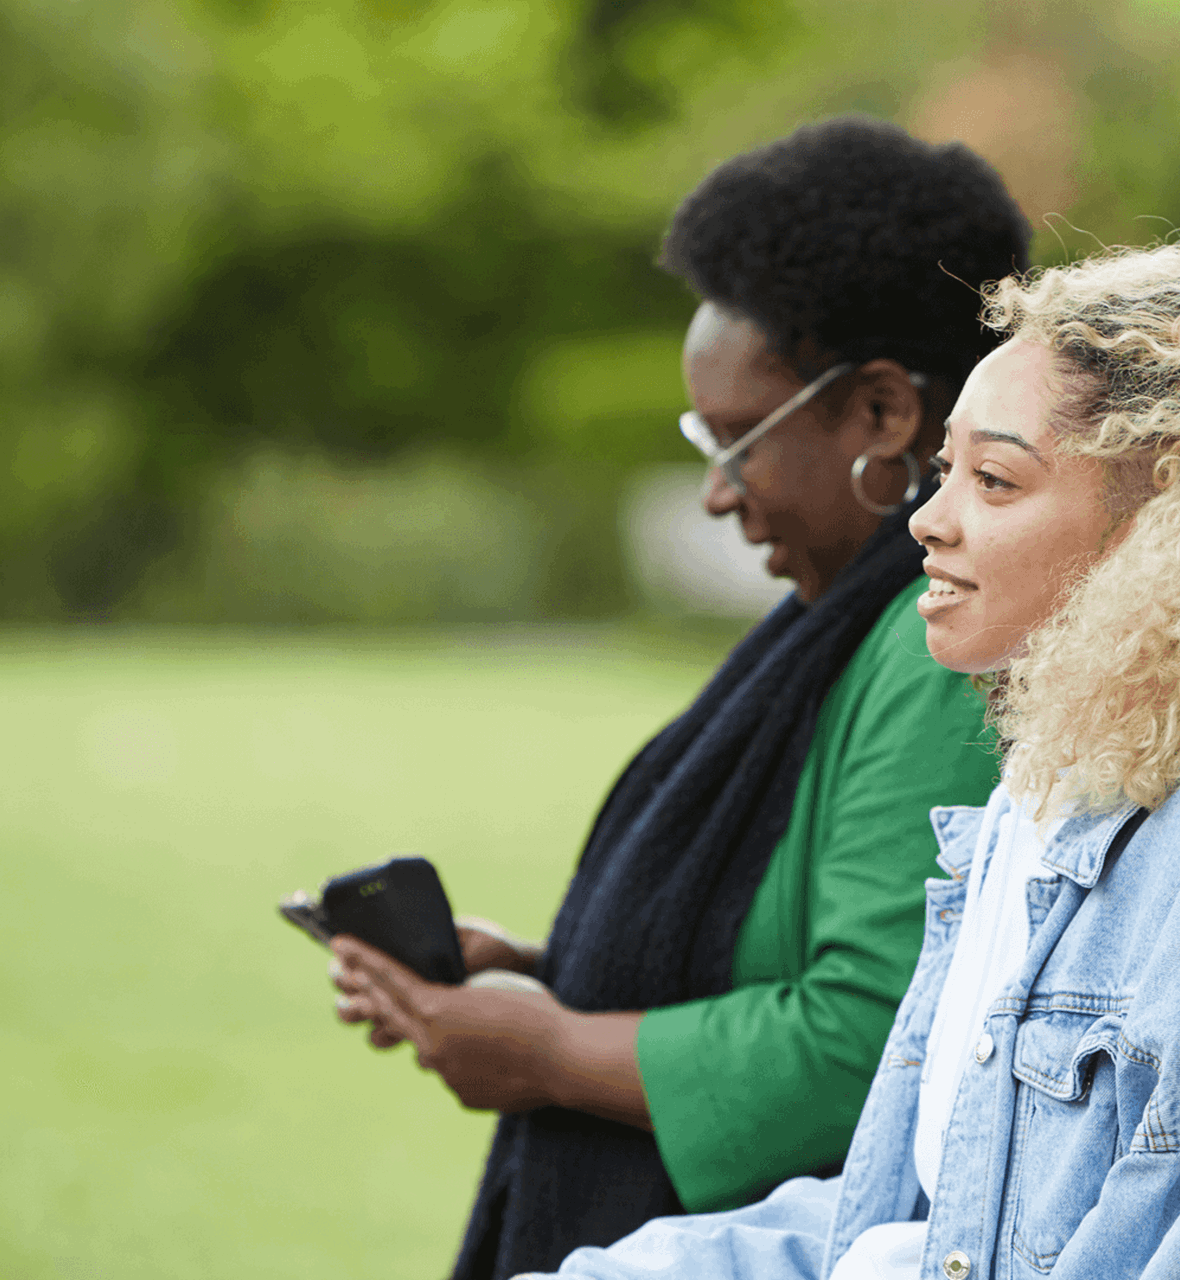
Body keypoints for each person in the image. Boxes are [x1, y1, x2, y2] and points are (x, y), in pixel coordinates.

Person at [520, 240, 1180, 1280]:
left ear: (1169, 521)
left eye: (997, 480)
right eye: (943, 469)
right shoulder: (1053, 790)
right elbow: (940, 1211)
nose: (929, 518)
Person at [328, 116, 1034, 1280]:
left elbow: (872, 1039)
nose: (718, 494)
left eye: (735, 440)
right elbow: (768, 940)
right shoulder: (834, 621)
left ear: (881, 414)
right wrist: (555, 969)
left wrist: (555, 1049)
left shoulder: (934, 645)